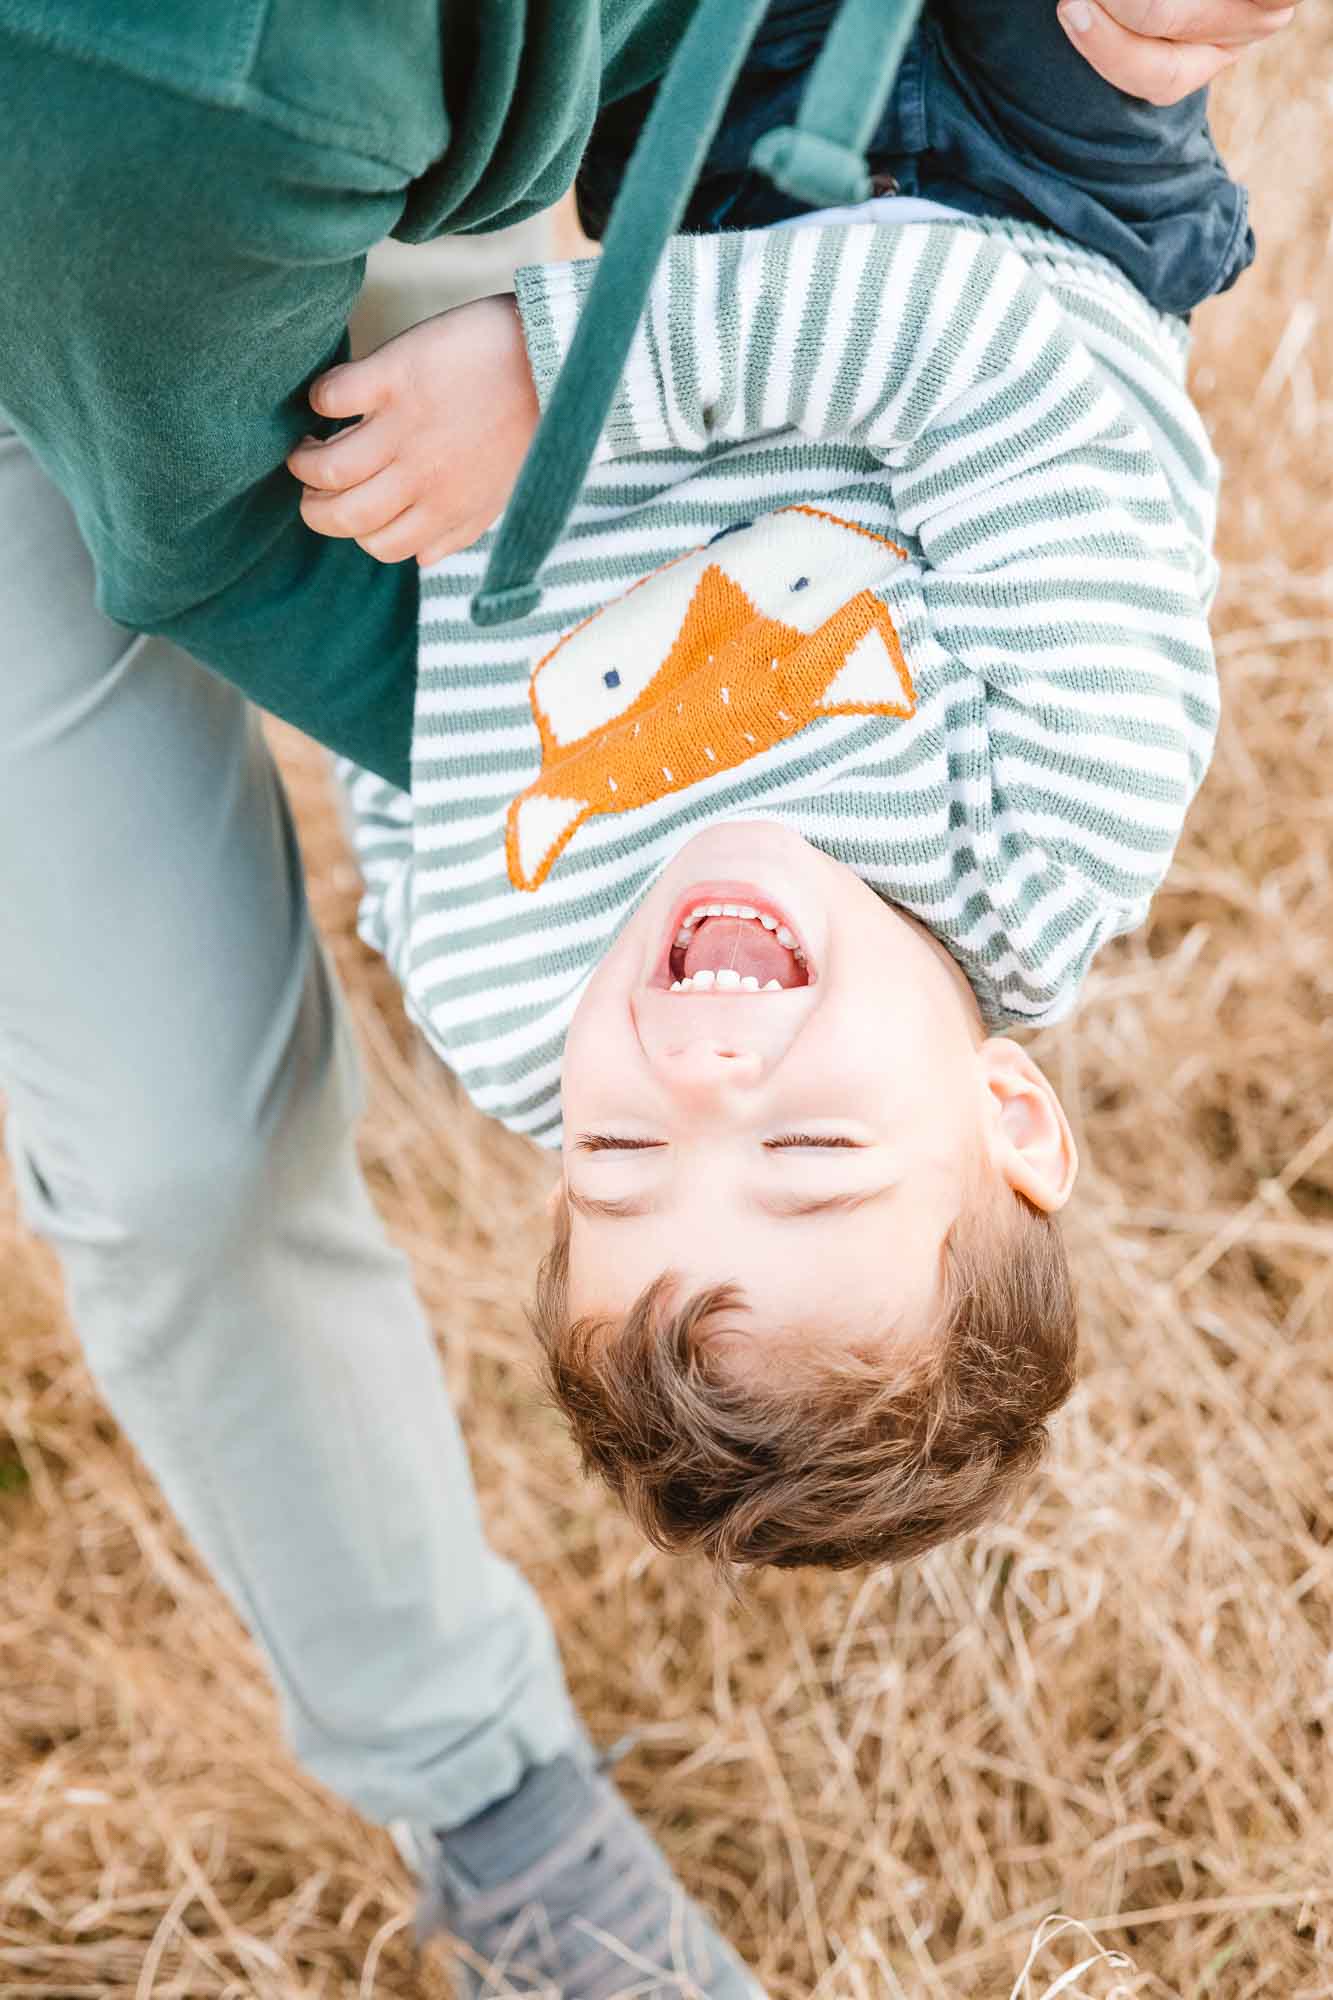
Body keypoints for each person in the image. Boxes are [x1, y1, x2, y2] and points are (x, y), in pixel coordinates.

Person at [0, 2, 1298, 1996]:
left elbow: (426, 705)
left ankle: (481, 1800)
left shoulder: (526, 1010)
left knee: (186, 1155)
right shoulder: (1064, 795)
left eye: (622, 1151)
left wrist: (277, 427)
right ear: (1010, 1114)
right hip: (872, 208)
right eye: (808, 1148)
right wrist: (567, 372)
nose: (695, 1064)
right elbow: (1010, 350)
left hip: (388, 334)